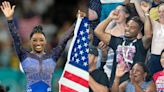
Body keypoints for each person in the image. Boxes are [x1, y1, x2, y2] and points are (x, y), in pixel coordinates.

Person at [0, 1, 74, 92]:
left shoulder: (52, 56)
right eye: (35, 40)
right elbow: (16, 38)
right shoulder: (24, 56)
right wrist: (10, 20)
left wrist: (77, 22)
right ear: (30, 42)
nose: (38, 43)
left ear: (45, 42)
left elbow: (64, 40)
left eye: (41, 40)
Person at [94, 7, 152, 87]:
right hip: (115, 83)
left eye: (133, 27)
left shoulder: (141, 44)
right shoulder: (117, 41)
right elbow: (98, 32)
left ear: (139, 30)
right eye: (127, 26)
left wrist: (147, 13)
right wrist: (110, 18)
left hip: (133, 85)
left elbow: (148, 35)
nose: (128, 29)